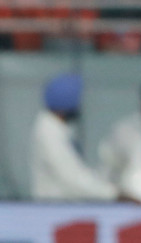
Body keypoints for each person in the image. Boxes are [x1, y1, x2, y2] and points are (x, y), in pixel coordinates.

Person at [30, 73, 119, 202]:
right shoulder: (49, 131)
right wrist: (113, 194)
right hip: (52, 210)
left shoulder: (57, 128)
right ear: (66, 101)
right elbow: (72, 177)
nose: (80, 106)